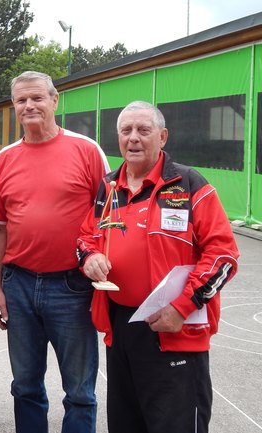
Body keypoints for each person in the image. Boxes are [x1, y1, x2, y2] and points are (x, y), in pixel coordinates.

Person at [77, 100, 239, 433]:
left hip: (174, 326)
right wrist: (90, 257)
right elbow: (85, 238)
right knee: (126, 424)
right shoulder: (108, 187)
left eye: (143, 130)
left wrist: (182, 307)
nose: (133, 138)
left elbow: (224, 255)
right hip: (121, 328)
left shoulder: (189, 184)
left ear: (162, 137)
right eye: (126, 131)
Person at [0, 70, 109, 433]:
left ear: (55, 101)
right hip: (19, 284)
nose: (29, 105)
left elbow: (108, 217)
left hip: (72, 286)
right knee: (25, 386)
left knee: (80, 390)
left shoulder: (87, 150)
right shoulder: (4, 159)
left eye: (37, 97)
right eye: (21, 100)